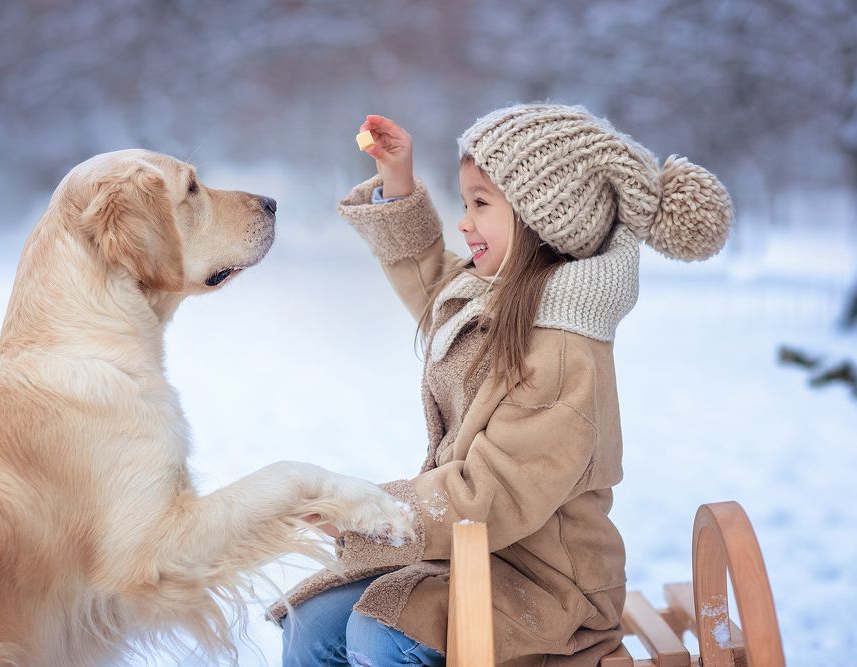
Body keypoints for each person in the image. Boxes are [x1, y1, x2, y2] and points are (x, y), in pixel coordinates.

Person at [268, 103, 733, 666]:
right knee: (311, 626)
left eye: (480, 204)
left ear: (543, 219)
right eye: (465, 203)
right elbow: (434, 286)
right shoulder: (499, 296)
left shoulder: (564, 351)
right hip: (468, 555)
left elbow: (495, 491)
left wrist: (366, 509)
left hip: (549, 589)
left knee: (382, 634)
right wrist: (397, 180)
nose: (464, 222)